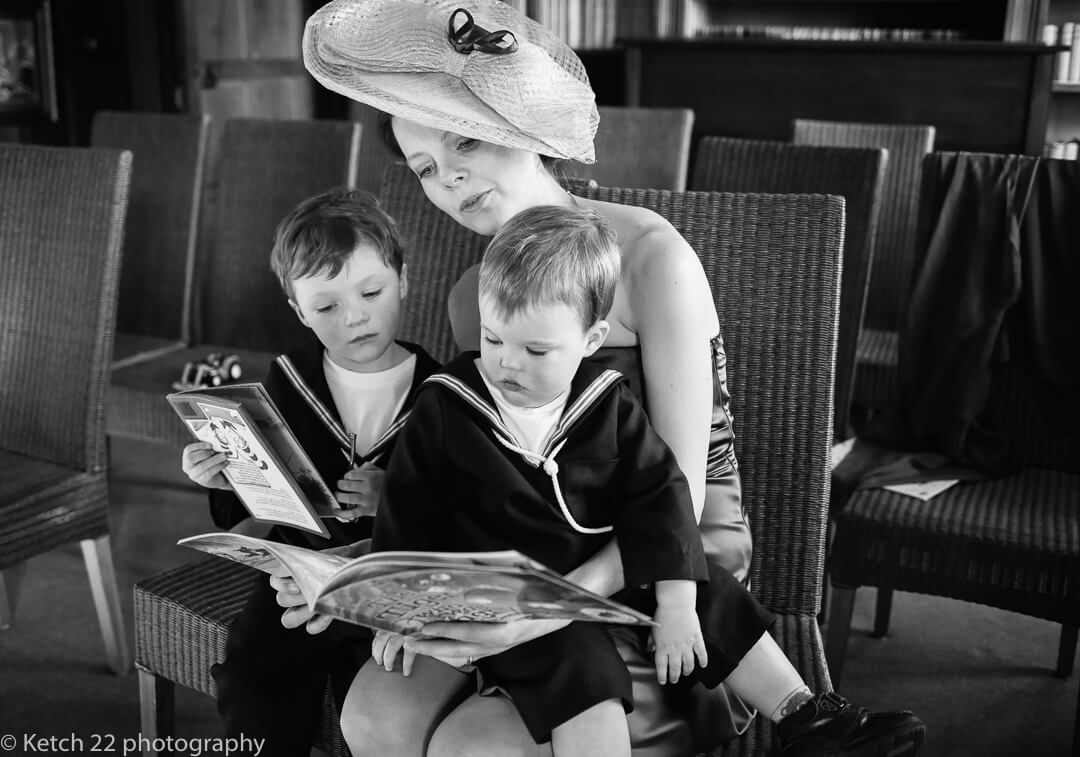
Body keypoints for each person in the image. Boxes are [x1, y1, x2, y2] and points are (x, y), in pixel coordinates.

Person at [302, 2, 926, 755]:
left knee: (473, 747)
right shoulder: (472, 295)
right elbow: (480, 464)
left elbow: (678, 493)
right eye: (427, 168)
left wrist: (549, 606)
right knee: (372, 714)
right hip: (534, 552)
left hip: (666, 566)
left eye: (463, 139)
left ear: (516, 125)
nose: (449, 178)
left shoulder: (651, 255)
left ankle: (794, 711)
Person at [341, 205, 776, 757]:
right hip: (487, 585)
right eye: (493, 340)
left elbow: (662, 496)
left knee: (700, 604)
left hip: (585, 589)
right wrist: (395, 608)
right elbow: (409, 510)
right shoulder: (447, 403)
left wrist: (675, 603)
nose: (506, 365)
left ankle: (806, 711)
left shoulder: (609, 404)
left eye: (535, 350)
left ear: (592, 339)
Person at [180, 187, 440, 757]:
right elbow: (268, 497)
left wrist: (392, 496)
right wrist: (224, 479)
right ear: (299, 311)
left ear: (404, 278)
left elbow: (458, 502)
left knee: (372, 700)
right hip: (294, 575)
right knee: (252, 678)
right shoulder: (288, 379)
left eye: (372, 291)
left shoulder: (442, 393)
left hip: (386, 584)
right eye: (325, 308)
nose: (355, 316)